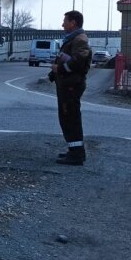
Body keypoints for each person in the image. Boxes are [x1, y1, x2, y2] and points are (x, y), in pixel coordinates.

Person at [48, 10, 92, 165]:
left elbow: (79, 61)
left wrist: (59, 69)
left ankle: (77, 155)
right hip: (67, 84)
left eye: (65, 21)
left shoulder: (79, 39)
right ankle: (73, 150)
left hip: (72, 85)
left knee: (71, 118)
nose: (62, 24)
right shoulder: (72, 39)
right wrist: (54, 73)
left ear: (73, 23)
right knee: (67, 118)